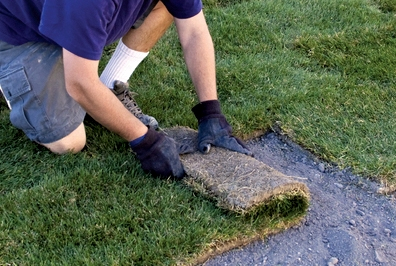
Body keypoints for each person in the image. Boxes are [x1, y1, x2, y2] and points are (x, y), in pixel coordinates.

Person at [0, 0, 252, 179]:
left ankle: (109, 85)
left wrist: (211, 111)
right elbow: (79, 83)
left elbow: (194, 31)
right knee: (68, 143)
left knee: (167, 5)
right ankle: (12, 80)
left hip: (66, 16)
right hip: (17, 33)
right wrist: (144, 140)